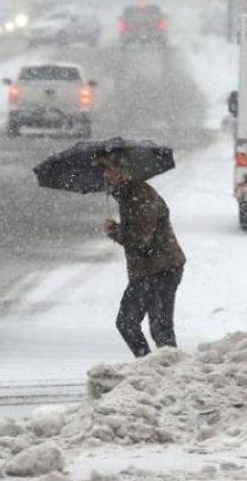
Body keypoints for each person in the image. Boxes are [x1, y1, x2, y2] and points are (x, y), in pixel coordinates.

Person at [96, 151, 186, 358]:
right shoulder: (128, 195)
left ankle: (158, 372)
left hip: (161, 268)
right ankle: (155, 371)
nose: (105, 175)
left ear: (124, 170)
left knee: (147, 326)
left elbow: (140, 240)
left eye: (110, 169)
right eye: (102, 170)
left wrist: (114, 231)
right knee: (148, 326)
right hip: (150, 269)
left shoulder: (141, 196)